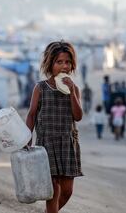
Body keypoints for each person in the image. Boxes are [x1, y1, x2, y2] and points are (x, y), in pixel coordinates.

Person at [26, 41, 83, 213]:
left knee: (66, 191)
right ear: (50, 64)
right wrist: (27, 139)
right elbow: (31, 114)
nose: (64, 66)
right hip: (46, 144)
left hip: (67, 144)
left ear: (72, 65)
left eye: (67, 62)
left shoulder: (74, 89)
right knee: (53, 191)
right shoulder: (41, 88)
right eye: (59, 62)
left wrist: (72, 92)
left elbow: (78, 116)